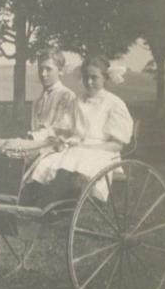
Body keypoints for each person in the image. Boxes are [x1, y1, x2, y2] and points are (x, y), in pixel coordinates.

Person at [24, 54, 133, 202]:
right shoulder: (78, 101)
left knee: (69, 171)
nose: (89, 82)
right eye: (86, 77)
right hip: (75, 148)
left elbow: (116, 145)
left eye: (94, 78)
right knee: (45, 163)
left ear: (105, 78)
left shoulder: (113, 104)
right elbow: (66, 128)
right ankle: (42, 205)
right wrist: (62, 139)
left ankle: (58, 207)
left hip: (102, 152)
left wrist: (87, 147)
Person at [0, 47, 77, 153]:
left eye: (48, 69)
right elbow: (34, 128)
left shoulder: (67, 96)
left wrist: (31, 138)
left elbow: (61, 131)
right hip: (35, 143)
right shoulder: (37, 101)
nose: (43, 74)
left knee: (10, 144)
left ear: (60, 71)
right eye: (40, 69)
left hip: (52, 145)